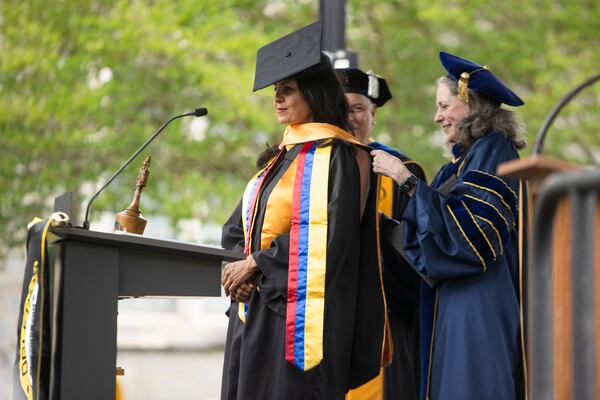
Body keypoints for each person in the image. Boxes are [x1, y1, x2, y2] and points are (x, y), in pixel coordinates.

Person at [220, 21, 389, 400]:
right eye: (277, 91)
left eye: (288, 90)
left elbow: (331, 238)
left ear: (314, 93)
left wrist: (258, 264)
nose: (278, 98)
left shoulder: (341, 156)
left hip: (299, 316)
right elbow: (237, 227)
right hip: (256, 309)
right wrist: (240, 270)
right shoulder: (277, 159)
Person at [371, 51, 527, 400]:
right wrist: (380, 228)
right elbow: (429, 236)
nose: (437, 117)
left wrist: (404, 178)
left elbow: (471, 238)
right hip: (451, 301)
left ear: (472, 105)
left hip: (479, 300)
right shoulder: (454, 168)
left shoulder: (495, 150)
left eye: (444, 106)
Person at [337, 68, 426, 400]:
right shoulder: (314, 168)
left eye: (358, 108)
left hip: (388, 319)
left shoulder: (402, 170)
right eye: (342, 107)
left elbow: (417, 250)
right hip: (329, 319)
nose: (350, 116)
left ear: (373, 114)